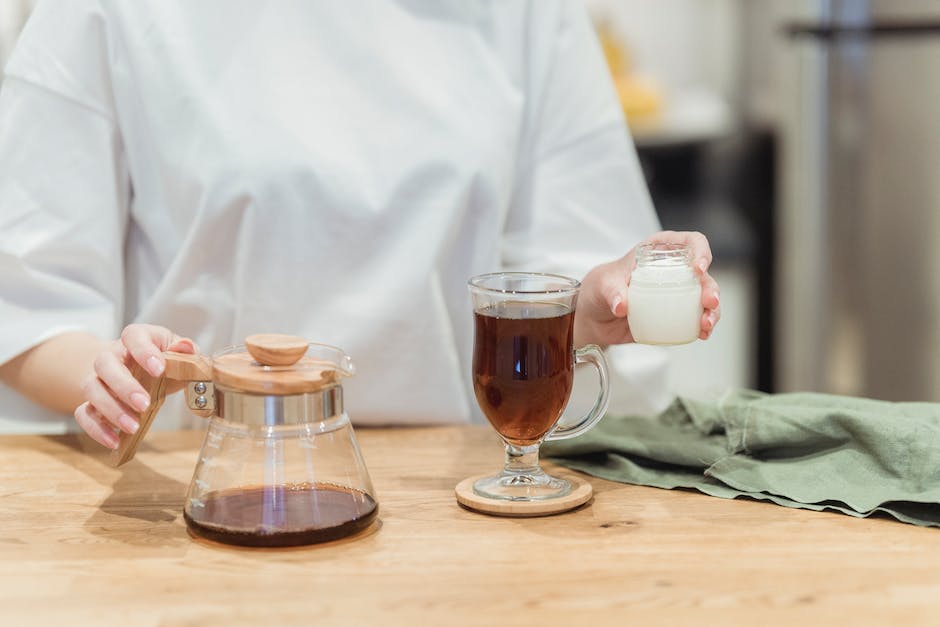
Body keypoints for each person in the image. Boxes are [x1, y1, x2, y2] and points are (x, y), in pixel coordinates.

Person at [0, 1, 720, 450]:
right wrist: (113, 378)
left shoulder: (525, 13)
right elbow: (26, 305)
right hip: (202, 490)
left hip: (459, 501)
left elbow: (568, 282)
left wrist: (591, 309)